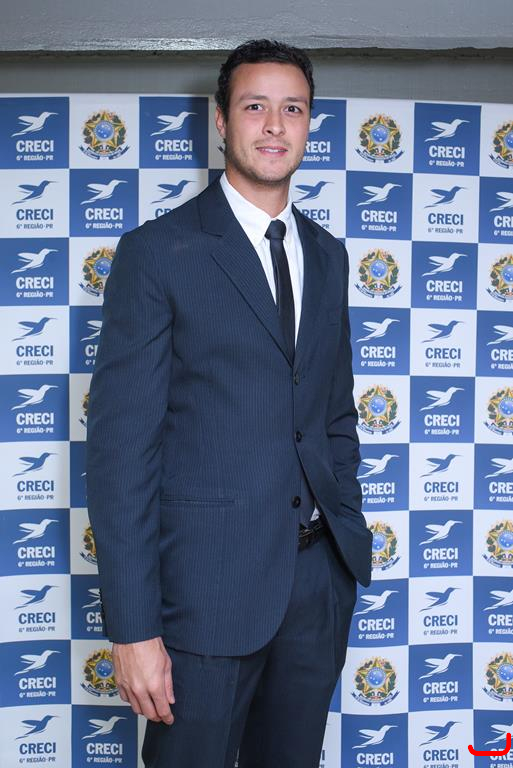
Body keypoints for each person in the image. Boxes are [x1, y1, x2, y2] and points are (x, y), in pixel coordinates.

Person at [86, 38, 372, 768]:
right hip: (203, 596)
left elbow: (333, 414)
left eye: (292, 109)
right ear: (220, 121)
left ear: (309, 123)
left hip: (314, 589)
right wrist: (133, 629)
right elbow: (122, 454)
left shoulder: (329, 254)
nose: (274, 126)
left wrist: (341, 551)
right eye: (254, 107)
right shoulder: (158, 252)